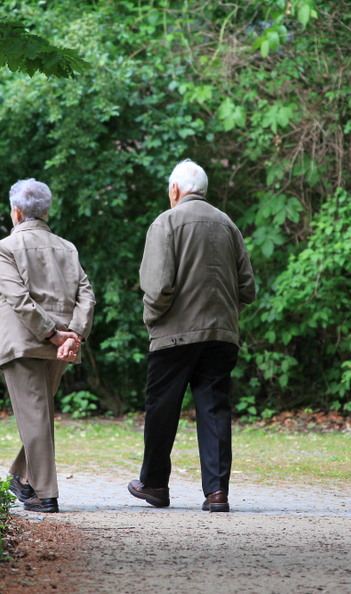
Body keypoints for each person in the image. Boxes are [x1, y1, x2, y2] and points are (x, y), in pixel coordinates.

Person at [128, 159, 256, 513]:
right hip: (222, 335)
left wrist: (152, 319)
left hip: (174, 336)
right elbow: (248, 288)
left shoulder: (166, 222)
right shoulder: (228, 224)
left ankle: (154, 484)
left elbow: (157, 287)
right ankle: (217, 493)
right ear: (203, 190)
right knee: (214, 408)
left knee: (162, 408)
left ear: (174, 190)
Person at [0, 178, 96, 513]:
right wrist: (73, 335)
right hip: (60, 345)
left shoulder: (5, 247)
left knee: (36, 415)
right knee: (39, 414)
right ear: (47, 211)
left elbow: (18, 301)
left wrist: (56, 336)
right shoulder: (67, 248)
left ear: (16, 212)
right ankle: (21, 477)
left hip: (24, 343)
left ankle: (45, 493)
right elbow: (87, 294)